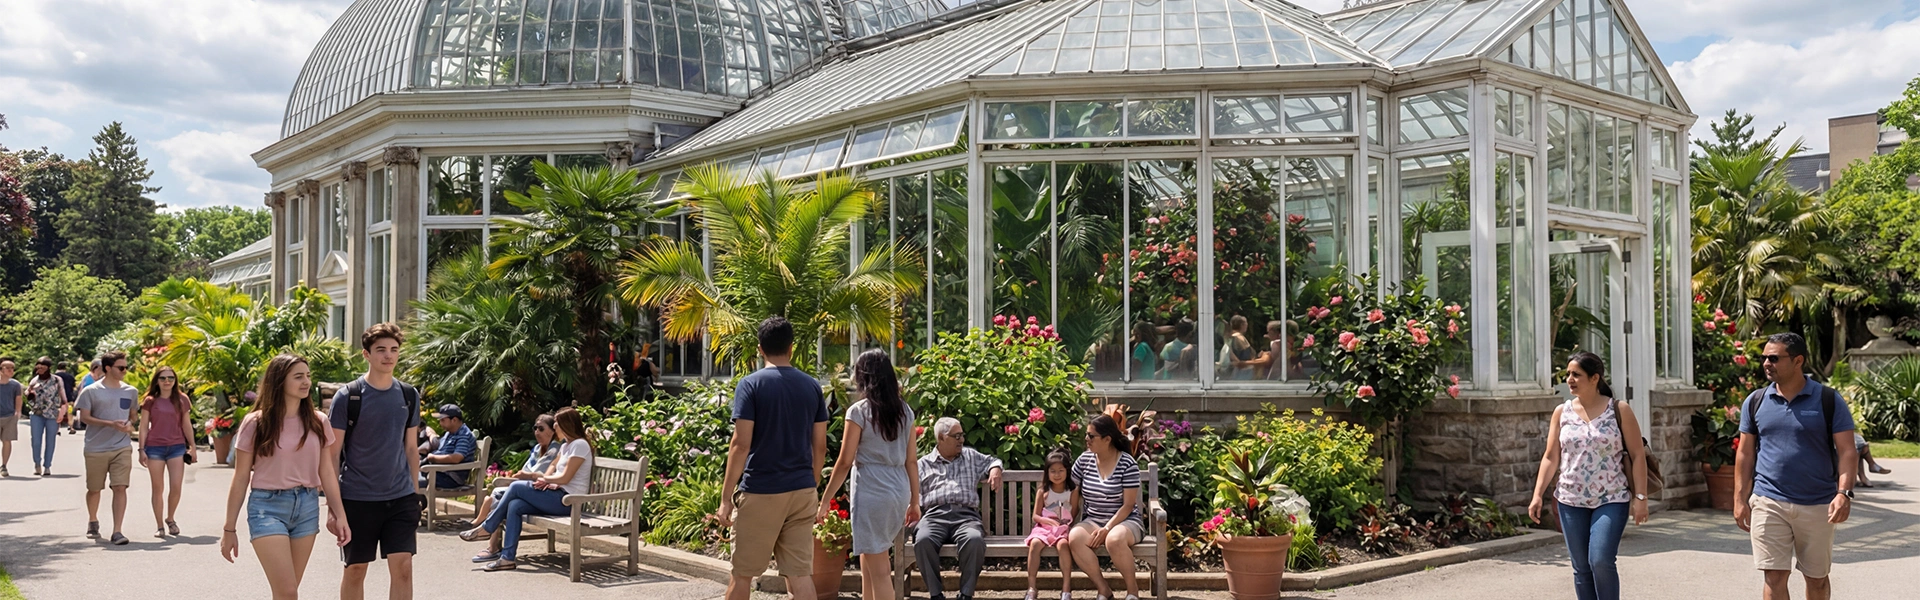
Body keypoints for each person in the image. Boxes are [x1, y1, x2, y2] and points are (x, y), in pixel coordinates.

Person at [1735, 332, 1857, 600]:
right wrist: (1740, 499)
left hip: (1817, 504)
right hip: (1769, 500)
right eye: (1764, 357)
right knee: (1774, 575)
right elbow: (1744, 453)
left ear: (1798, 360)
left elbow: (1848, 451)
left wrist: (1843, 493)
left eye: (1774, 358)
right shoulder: (1755, 401)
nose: (1766, 363)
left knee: (1816, 579)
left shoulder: (1827, 399)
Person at [717, 316, 829, 600]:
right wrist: (811, 483)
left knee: (742, 575)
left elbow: (740, 445)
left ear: (759, 349)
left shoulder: (751, 385)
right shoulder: (812, 386)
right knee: (801, 576)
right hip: (802, 489)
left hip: (762, 490)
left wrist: (726, 498)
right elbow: (820, 447)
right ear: (791, 348)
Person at [220, 354, 349, 600]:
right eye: (298, 377)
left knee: (286, 593)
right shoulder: (255, 423)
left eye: (308, 376)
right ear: (279, 381)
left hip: (307, 507)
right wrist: (229, 528)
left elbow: (327, 473)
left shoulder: (318, 422)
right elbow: (240, 478)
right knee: (288, 591)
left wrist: (339, 514)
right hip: (267, 507)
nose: (306, 382)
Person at [1527, 352, 1650, 600]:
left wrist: (1641, 498)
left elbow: (1637, 455)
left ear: (1595, 378)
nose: (1570, 379)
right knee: (1581, 568)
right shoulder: (1562, 412)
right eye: (1568, 374)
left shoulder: (1619, 409)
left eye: (1576, 374)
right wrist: (1537, 494)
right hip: (1570, 499)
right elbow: (1551, 456)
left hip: (1612, 497)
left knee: (1601, 559)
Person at [328, 323, 424, 600]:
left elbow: (411, 449)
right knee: (356, 568)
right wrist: (334, 509)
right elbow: (333, 455)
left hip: (401, 497)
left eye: (394, 350)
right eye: (381, 350)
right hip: (357, 498)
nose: (388, 356)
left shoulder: (408, 395)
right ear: (366, 354)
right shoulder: (348, 396)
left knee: (403, 567)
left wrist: (415, 493)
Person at [817, 349, 920, 600]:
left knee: (881, 569)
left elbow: (844, 462)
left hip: (872, 489)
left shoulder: (859, 412)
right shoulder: (904, 412)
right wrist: (915, 500)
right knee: (870, 555)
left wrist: (824, 501)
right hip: (897, 489)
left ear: (864, 376)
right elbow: (911, 460)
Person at [458, 407, 594, 571]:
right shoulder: (567, 446)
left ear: (567, 425)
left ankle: (487, 527)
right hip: (556, 494)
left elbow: (565, 478)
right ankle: (507, 558)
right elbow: (557, 471)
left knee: (516, 486)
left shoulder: (580, 445)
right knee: (515, 505)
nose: (555, 427)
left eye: (557, 423)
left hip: (569, 501)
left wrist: (539, 477)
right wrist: (547, 481)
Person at [914, 416, 1005, 600]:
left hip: (966, 517)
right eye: (956, 436)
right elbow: (911, 494)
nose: (962, 440)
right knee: (923, 540)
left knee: (974, 540)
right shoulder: (923, 464)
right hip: (934, 515)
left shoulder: (970, 456)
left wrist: (995, 469)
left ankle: (966, 594)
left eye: (962, 435)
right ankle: (936, 594)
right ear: (941, 438)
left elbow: (993, 460)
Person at [1068, 414, 1146, 600]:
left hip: (1126, 521)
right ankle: (1103, 589)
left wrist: (1107, 528)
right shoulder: (1084, 461)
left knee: (1114, 539)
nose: (1086, 439)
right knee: (1075, 538)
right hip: (1093, 519)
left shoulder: (1127, 463)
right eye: (1086, 435)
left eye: (1091, 436)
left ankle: (1132, 591)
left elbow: (1128, 505)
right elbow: (1073, 493)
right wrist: (1067, 520)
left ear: (1107, 439)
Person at [469, 413, 561, 562]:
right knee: (508, 501)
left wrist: (528, 476)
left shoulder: (558, 449)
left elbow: (544, 475)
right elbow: (527, 470)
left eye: (541, 429)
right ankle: (504, 554)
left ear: (552, 431)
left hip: (544, 491)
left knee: (500, 495)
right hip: (530, 487)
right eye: (535, 428)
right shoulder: (537, 449)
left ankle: (486, 533)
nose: (537, 432)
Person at [75, 351, 139, 545]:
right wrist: (110, 423)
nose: (125, 371)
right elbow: (84, 417)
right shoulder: (91, 391)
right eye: (121, 367)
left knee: (120, 487)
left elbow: (133, 416)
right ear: (108, 368)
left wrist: (129, 425)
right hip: (96, 447)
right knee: (94, 489)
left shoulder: (130, 391)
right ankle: (93, 519)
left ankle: (117, 531)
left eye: (126, 367)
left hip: (122, 446)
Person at [139, 365, 197, 538]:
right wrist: (141, 449)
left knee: (176, 487)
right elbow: (143, 427)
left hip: (176, 447)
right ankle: (159, 526)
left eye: (170, 378)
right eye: (163, 378)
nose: (167, 381)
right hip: (154, 447)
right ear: (157, 380)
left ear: (175, 380)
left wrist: (192, 446)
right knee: (158, 488)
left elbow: (186, 424)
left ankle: (170, 518)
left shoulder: (182, 399)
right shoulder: (150, 400)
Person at [1023, 450, 1078, 600]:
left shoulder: (1072, 491)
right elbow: (1036, 516)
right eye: (1053, 471)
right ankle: (1032, 587)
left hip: (1063, 528)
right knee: (1034, 544)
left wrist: (1064, 523)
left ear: (1067, 471)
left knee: (1063, 546)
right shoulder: (1044, 491)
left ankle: (1066, 589)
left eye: (1061, 470)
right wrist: (1048, 521)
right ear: (1047, 472)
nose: (1057, 474)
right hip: (1043, 528)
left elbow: (1074, 512)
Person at [27, 357, 70, 477]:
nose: (40, 368)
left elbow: (64, 398)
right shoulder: (34, 380)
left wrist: (62, 412)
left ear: (48, 367)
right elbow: (28, 394)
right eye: (38, 366)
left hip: (53, 414)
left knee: (51, 440)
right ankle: (37, 464)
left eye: (43, 366)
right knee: (36, 440)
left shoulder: (57, 380)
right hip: (37, 413)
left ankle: (47, 466)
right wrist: (30, 393)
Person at [419, 404, 475, 489]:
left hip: (450, 477)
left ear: (454, 420)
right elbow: (440, 448)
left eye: (443, 420)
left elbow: (456, 458)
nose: (440, 423)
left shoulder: (463, 435)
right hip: (441, 472)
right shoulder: (450, 433)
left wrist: (433, 458)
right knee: (408, 474)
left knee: (412, 480)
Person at [1216, 315, 1258, 380]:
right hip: (1242, 372)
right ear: (1242, 325)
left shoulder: (1230, 337)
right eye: (1246, 323)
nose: (1247, 325)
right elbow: (1247, 355)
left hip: (1233, 371)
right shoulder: (1239, 338)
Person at [0, 359, 19, 478]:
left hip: (9, 416)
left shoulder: (15, 385)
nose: (11, 370)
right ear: (1, 370)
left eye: (12, 368)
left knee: (7, 441)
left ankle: (4, 465)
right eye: (7, 368)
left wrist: (17, 412)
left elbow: (18, 399)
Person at [55, 360, 78, 434]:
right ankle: (71, 427)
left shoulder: (54, 377)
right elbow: (74, 387)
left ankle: (57, 429)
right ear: (65, 368)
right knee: (70, 412)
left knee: (58, 412)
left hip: (58, 397)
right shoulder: (70, 376)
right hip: (69, 397)